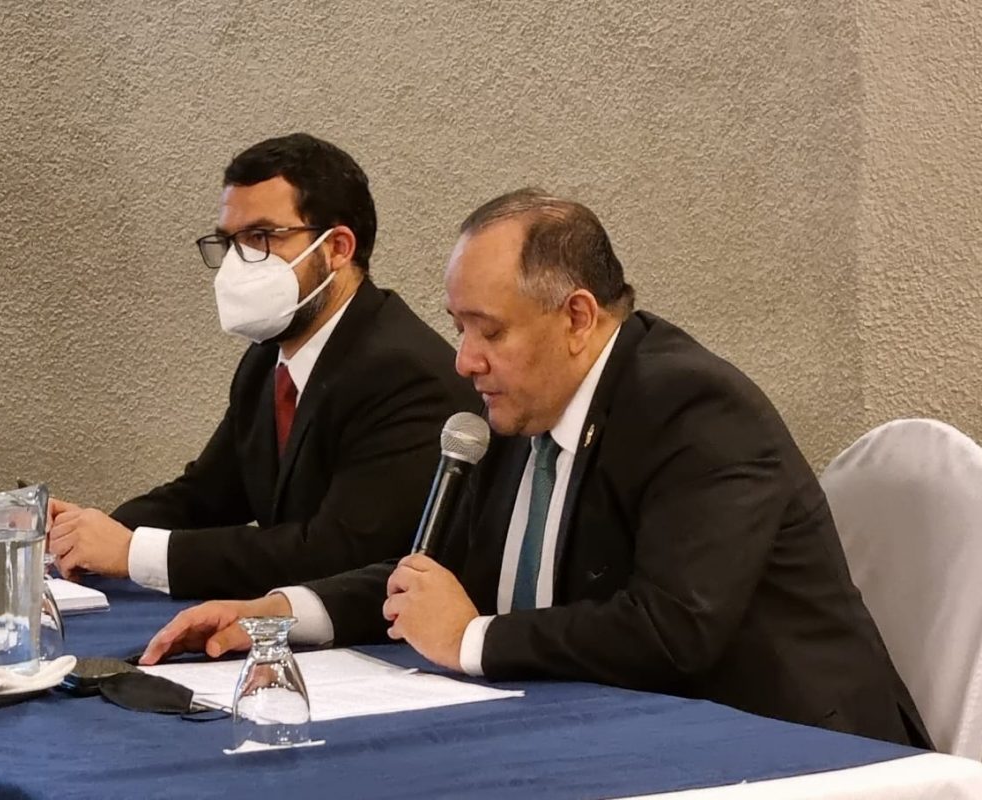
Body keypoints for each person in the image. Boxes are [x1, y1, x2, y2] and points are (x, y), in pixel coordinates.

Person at [138, 188, 931, 747]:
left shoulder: (693, 407)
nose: (464, 360)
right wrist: (282, 612)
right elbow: (438, 574)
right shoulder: (522, 406)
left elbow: (672, 629)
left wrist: (471, 639)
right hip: (619, 730)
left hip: (791, 747)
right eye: (458, 327)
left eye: (488, 331)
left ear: (577, 317)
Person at [47, 133, 479, 599]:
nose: (238, 263)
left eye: (260, 238)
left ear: (337, 247)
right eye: (228, 242)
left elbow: (336, 553)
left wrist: (134, 552)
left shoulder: (402, 373)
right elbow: (203, 496)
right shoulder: (266, 360)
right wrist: (85, 535)